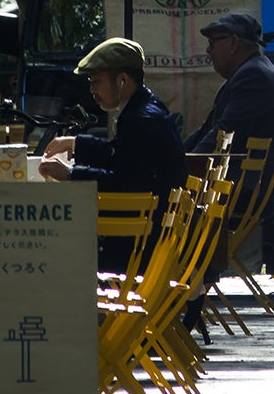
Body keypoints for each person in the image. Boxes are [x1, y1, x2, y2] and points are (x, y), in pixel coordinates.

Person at [39, 37, 186, 272]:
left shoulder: (140, 120)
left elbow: (125, 182)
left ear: (122, 80)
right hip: (147, 231)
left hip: (138, 244)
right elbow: (121, 155)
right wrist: (76, 143)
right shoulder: (144, 109)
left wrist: (71, 174)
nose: (92, 90)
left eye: (96, 81)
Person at [184, 12, 274, 222]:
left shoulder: (254, 76)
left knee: (164, 203)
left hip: (248, 190)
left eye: (213, 42)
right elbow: (209, 130)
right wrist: (179, 155)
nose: (209, 50)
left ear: (234, 43)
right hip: (246, 186)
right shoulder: (251, 71)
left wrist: (182, 166)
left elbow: (223, 134)